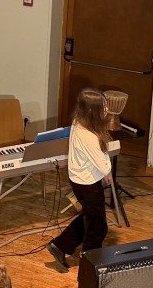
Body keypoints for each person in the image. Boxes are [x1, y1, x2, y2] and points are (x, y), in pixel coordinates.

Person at [46, 88, 112, 268]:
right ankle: (90, 267)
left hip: (81, 180)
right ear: (92, 111)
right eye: (103, 107)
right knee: (97, 228)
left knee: (91, 218)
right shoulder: (89, 136)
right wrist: (107, 168)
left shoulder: (78, 122)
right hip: (87, 184)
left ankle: (59, 245)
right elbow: (104, 165)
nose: (106, 110)